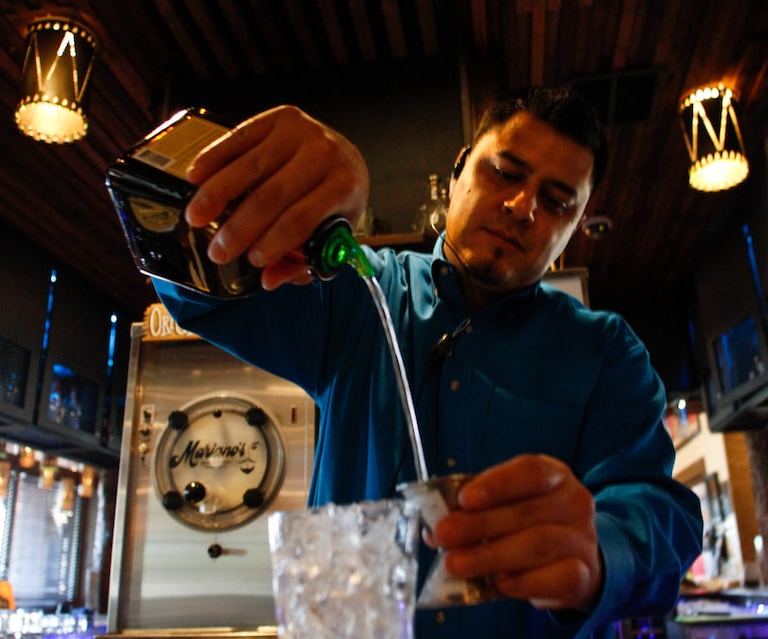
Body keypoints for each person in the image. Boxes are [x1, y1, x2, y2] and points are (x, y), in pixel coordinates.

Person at [154, 86, 703, 638]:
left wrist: (601, 550)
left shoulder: (604, 351)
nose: (522, 207)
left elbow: (659, 511)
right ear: (461, 168)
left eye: (557, 200)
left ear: (575, 225)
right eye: (506, 173)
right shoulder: (359, 295)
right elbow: (199, 285)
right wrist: (257, 194)